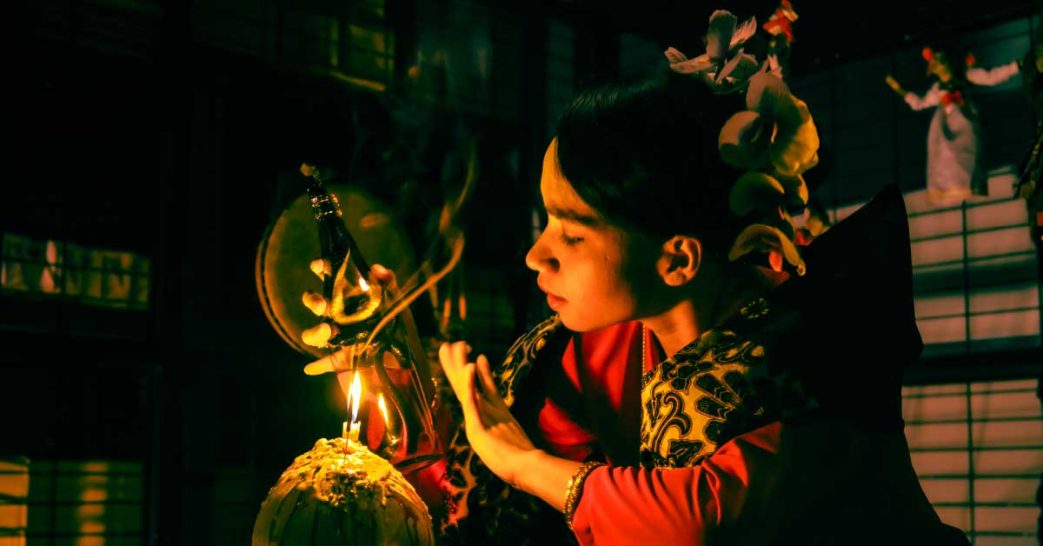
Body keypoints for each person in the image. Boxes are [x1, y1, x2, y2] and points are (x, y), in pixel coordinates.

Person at [431, 42, 970, 546]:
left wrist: (521, 464)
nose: (535, 255)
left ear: (677, 260)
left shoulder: (805, 354)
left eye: (571, 233)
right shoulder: (608, 341)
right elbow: (502, 447)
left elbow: (692, 522)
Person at [885, 46, 1020, 204]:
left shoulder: (966, 76)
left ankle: (970, 182)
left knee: (968, 151)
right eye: (937, 64)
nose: (942, 66)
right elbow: (919, 103)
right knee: (945, 153)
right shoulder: (937, 90)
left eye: (943, 61)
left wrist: (1015, 66)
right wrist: (899, 89)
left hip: (965, 120)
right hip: (944, 124)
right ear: (933, 70)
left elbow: (991, 77)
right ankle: (950, 185)